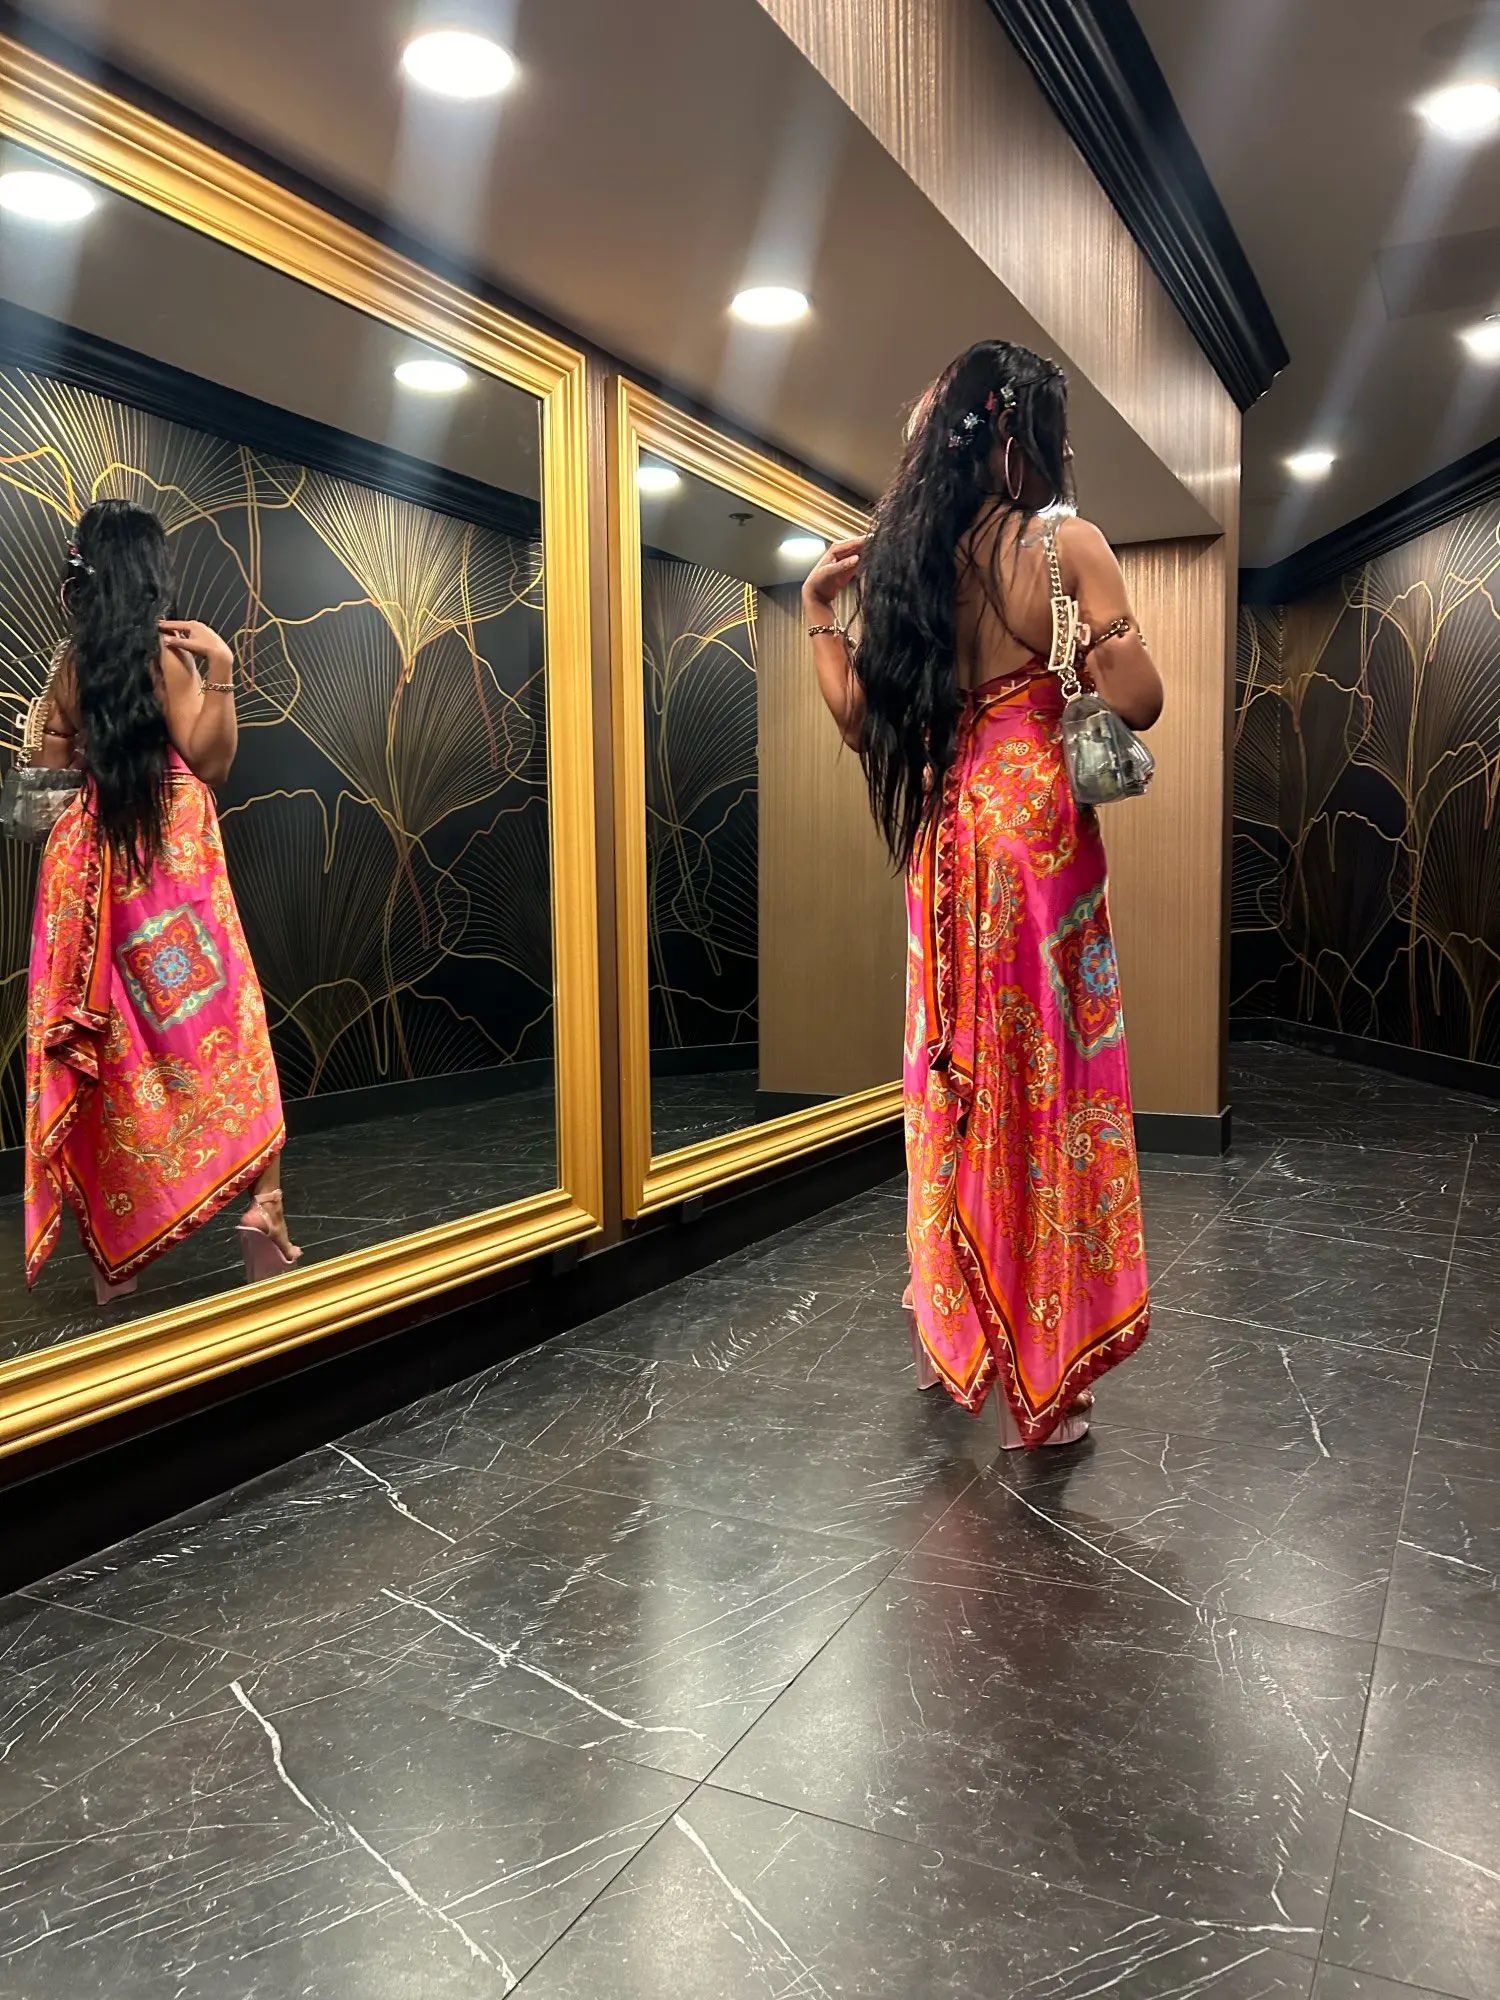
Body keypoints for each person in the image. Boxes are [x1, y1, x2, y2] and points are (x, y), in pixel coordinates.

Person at [803, 341, 1162, 1448]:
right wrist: (1096, 641)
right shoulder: (1065, 544)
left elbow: (861, 722)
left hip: (945, 840)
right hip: (1037, 843)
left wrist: (817, 611)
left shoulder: (911, 567)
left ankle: (946, 1328)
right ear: (1015, 436)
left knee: (948, 1075)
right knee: (1045, 1084)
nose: (1059, 455)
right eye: (1052, 435)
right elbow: (1139, 700)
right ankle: (1041, 1389)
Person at [24, 498, 298, 1305]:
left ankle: (118, 1250)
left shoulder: (69, 669)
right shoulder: (171, 655)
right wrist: (223, 668)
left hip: (91, 872)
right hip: (172, 861)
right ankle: (266, 1206)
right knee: (229, 1026)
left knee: (112, 1050)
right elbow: (210, 764)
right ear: (147, 570)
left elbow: (48, 788)